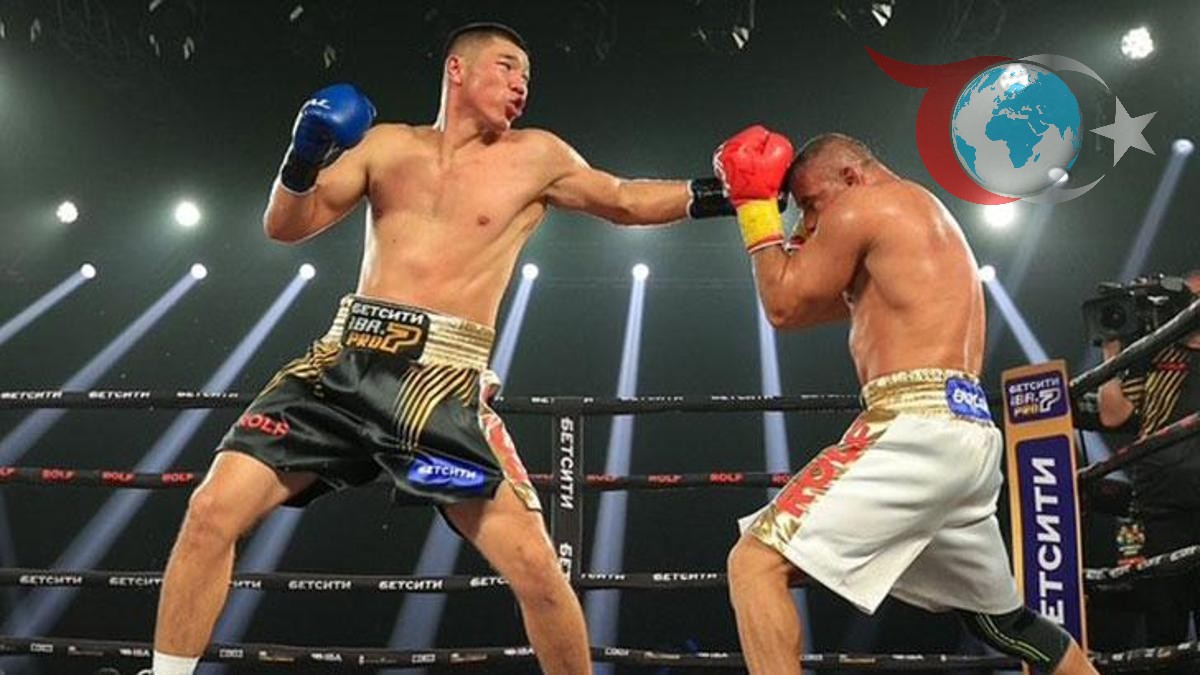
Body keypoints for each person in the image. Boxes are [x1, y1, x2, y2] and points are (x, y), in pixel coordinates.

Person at [149, 23, 728, 675]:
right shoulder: (385, 145)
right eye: (507, 67)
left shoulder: (538, 155)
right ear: (457, 69)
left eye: (527, 76)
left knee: (536, 568)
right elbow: (285, 226)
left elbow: (623, 199)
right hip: (341, 365)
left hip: (438, 386)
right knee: (210, 511)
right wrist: (302, 154)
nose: (521, 84)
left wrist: (725, 193)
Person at [716, 128, 1097, 674]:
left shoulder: (861, 206)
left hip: (915, 425)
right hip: (967, 436)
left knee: (755, 563)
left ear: (850, 176)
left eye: (811, 204)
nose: (811, 222)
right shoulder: (920, 218)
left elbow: (784, 306)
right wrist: (798, 236)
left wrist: (756, 210)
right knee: (1003, 623)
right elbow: (813, 296)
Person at [1098, 271, 1200, 669]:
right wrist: (1111, 352)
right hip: (1161, 509)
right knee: (1163, 628)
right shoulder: (1157, 353)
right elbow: (1113, 414)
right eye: (1191, 297)